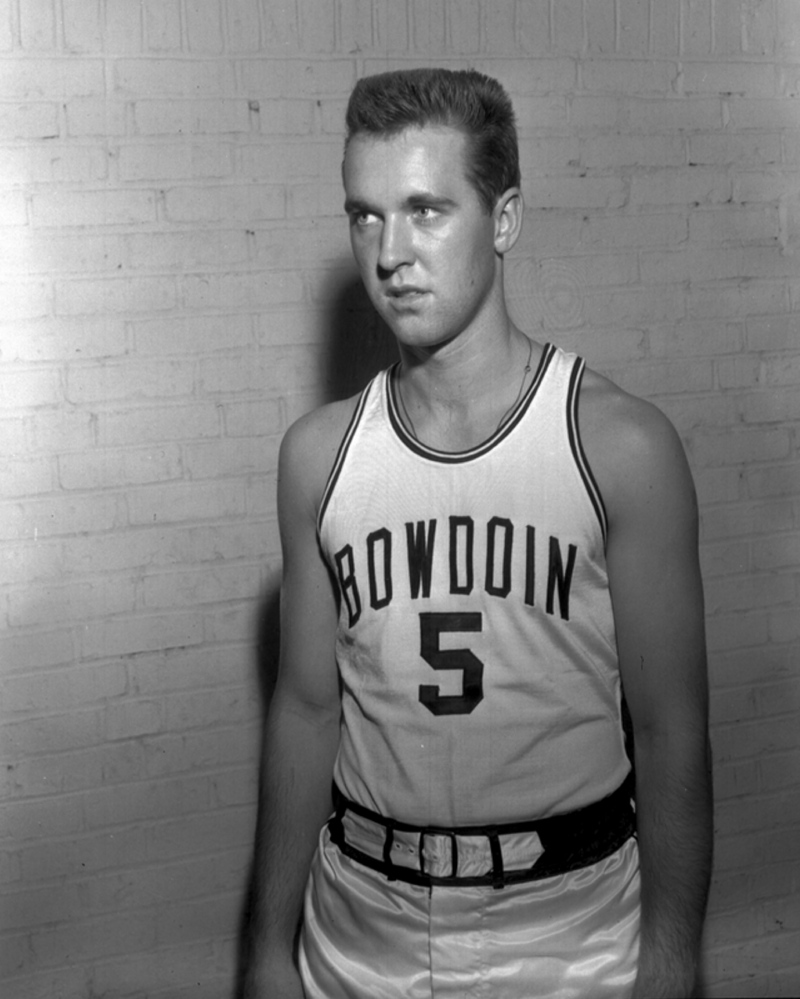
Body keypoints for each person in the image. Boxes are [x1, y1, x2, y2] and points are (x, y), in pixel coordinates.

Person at [242, 67, 713, 999]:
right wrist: (265, 945)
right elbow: (303, 710)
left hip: (571, 932)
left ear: (503, 221)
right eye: (365, 215)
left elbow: (671, 730)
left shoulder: (619, 445)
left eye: (426, 210)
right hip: (359, 924)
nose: (390, 252)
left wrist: (671, 960)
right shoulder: (318, 456)